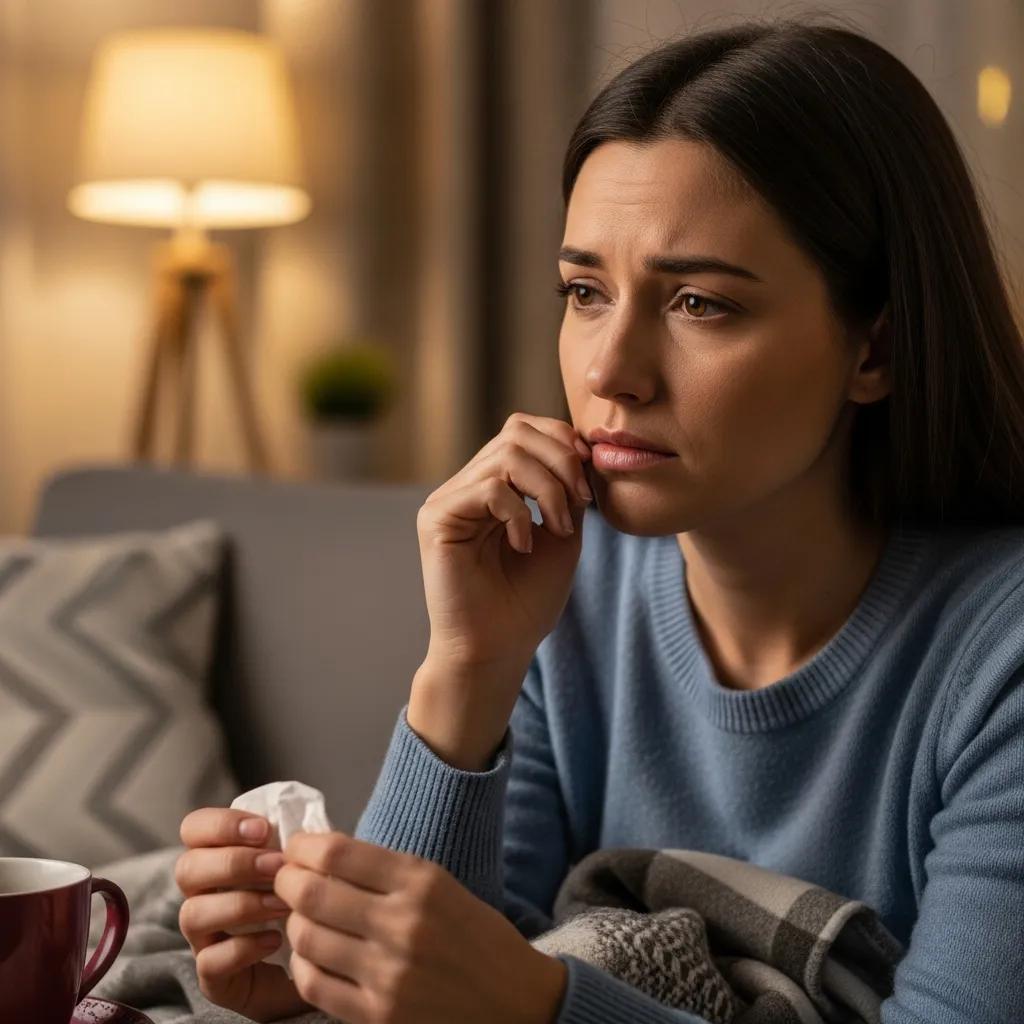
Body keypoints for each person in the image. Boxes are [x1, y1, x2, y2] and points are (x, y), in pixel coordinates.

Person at [173, 14, 1024, 1023]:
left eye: (699, 303)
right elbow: (419, 980)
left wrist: (543, 1006)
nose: (608, 370)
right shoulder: (563, 586)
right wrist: (466, 669)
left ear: (873, 350)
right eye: (584, 291)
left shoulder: (998, 652)